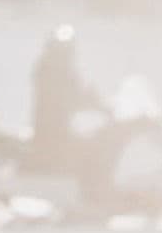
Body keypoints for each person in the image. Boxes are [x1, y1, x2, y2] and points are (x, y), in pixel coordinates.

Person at [28, 25, 105, 175]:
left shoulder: (52, 69)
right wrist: (95, 102)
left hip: (55, 130)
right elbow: (70, 96)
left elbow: (75, 96)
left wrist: (94, 101)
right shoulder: (52, 71)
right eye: (65, 49)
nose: (67, 53)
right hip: (52, 133)